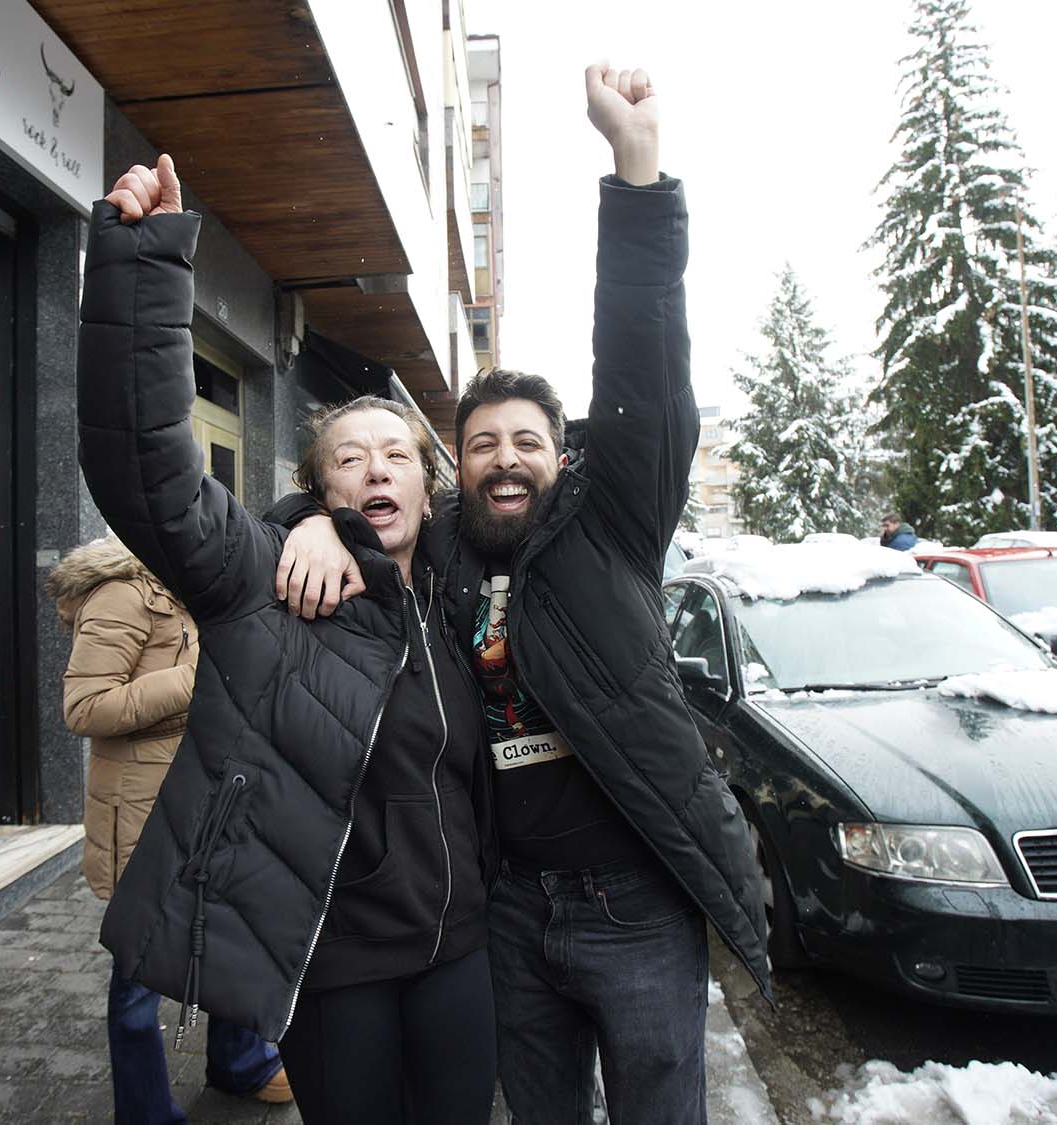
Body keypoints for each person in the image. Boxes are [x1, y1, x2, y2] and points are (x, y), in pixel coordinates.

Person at [277, 63, 771, 1125]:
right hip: (506, 909)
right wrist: (307, 518)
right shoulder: (446, 546)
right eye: (484, 443)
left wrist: (634, 167)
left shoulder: (613, 530)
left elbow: (645, 369)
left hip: (636, 908)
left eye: (529, 443)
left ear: (562, 458)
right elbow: (369, 506)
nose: (506, 460)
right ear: (458, 465)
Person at [75, 153, 496, 1125]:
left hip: (461, 949)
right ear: (321, 483)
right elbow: (147, 472)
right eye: (351, 458)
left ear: (429, 495)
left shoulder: (461, 590)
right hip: (336, 960)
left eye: (399, 456)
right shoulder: (261, 577)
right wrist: (143, 267)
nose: (378, 470)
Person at [45, 537, 291, 1119]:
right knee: (139, 969)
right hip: (143, 808)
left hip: (214, 797)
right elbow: (85, 707)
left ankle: (242, 1063)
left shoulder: (201, 591)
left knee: (231, 939)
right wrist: (199, 676)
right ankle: (145, 1110)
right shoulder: (122, 596)